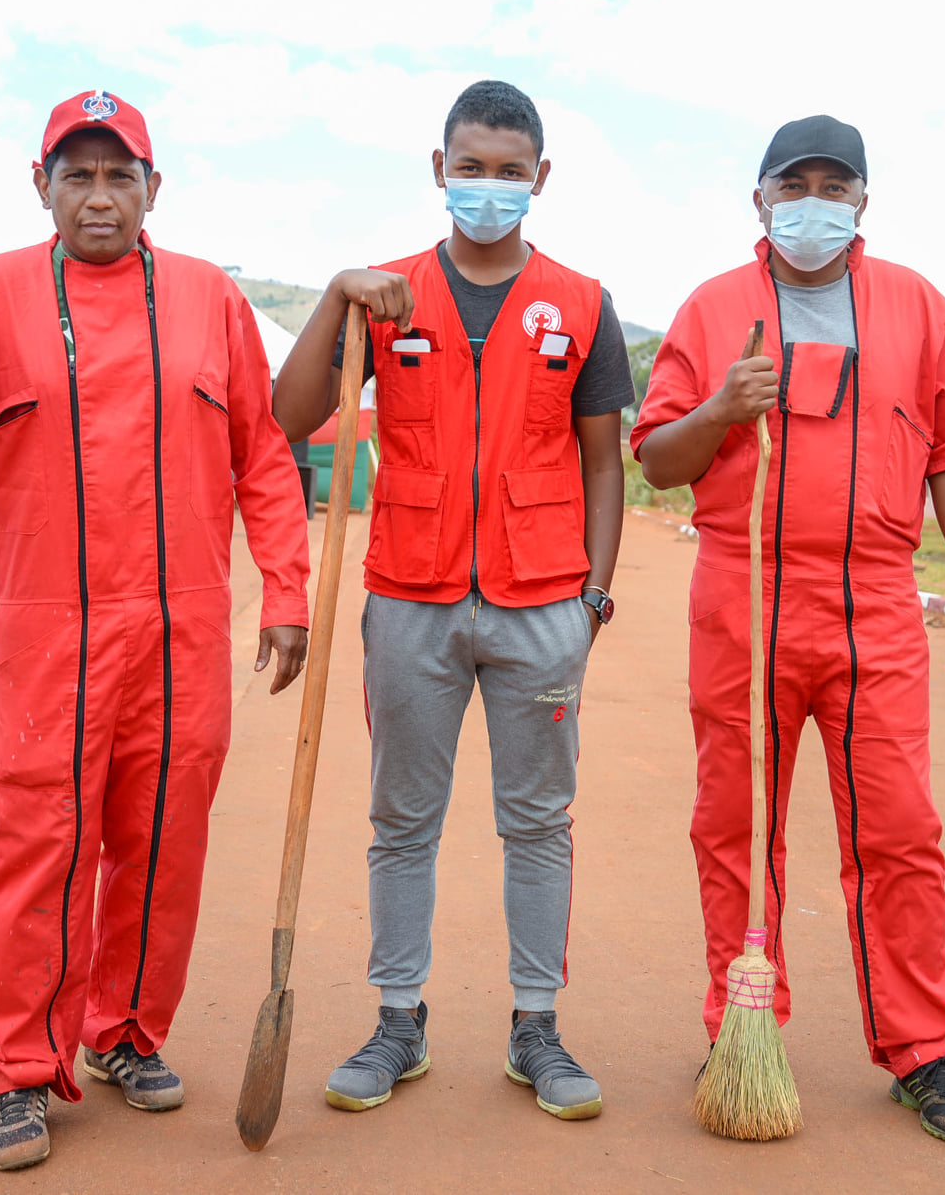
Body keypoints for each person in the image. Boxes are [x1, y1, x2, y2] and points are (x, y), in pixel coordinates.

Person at [0, 90, 313, 1172]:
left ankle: (123, 1030)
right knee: (37, 843)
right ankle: (20, 1068)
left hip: (184, 628)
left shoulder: (211, 298)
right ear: (42, 186)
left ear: (153, 191)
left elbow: (263, 455)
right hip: (50, 630)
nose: (101, 195)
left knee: (163, 839)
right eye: (79, 174)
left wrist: (288, 592)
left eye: (122, 176)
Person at [631, 114, 945, 1145]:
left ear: (861, 204)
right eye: (790, 182)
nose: (811, 199)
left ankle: (918, 1047)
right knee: (735, 827)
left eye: (832, 185)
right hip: (742, 594)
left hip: (875, 600)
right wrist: (716, 410)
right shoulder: (711, 310)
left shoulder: (917, 307)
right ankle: (739, 1029)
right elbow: (655, 456)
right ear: (756, 198)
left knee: (897, 832)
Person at [273, 80, 632, 1122]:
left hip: (540, 602)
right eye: (468, 168)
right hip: (410, 598)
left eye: (508, 171)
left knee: (537, 822)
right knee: (401, 820)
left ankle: (536, 1029)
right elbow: (292, 415)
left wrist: (594, 596)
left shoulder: (581, 302)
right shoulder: (384, 295)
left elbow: (602, 460)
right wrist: (335, 299)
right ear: (437, 169)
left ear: (540, 178)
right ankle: (397, 1020)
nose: (487, 188)